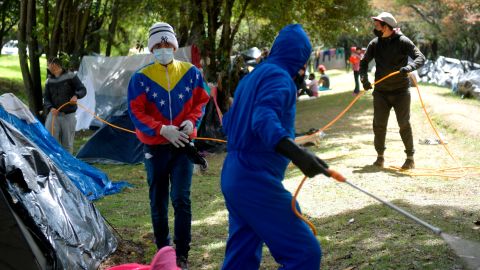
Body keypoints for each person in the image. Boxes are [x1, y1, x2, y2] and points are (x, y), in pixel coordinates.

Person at [220, 24, 330, 269]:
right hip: (255, 178)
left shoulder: (251, 78)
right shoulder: (279, 77)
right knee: (304, 253)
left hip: (234, 176)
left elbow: (229, 122)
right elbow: (263, 119)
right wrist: (298, 155)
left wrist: (294, 141)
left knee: (241, 258)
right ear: (300, 56)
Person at [127, 22, 210, 270]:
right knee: (158, 199)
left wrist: (190, 120)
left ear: (173, 45)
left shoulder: (191, 73)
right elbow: (136, 111)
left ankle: (182, 254)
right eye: (158, 45)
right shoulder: (140, 78)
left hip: (183, 145)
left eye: (167, 44)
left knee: (181, 199)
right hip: (156, 147)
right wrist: (161, 129)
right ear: (152, 48)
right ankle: (164, 251)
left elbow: (201, 101)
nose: (164, 49)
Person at [359, 12, 426, 169]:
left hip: (401, 92)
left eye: (378, 24)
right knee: (379, 125)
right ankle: (380, 157)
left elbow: (420, 57)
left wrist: (409, 67)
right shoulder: (375, 44)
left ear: (386, 26)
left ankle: (410, 158)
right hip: (380, 92)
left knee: (404, 124)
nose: (375, 27)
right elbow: (363, 63)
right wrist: (364, 80)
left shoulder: (403, 41)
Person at [43, 57, 86, 154]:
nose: (47, 67)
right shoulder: (49, 81)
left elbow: (83, 89)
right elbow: (46, 99)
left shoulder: (71, 76)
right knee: (50, 142)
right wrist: (51, 108)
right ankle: (53, 166)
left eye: (48, 64)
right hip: (53, 116)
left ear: (54, 65)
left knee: (67, 145)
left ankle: (67, 168)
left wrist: (76, 96)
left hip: (68, 116)